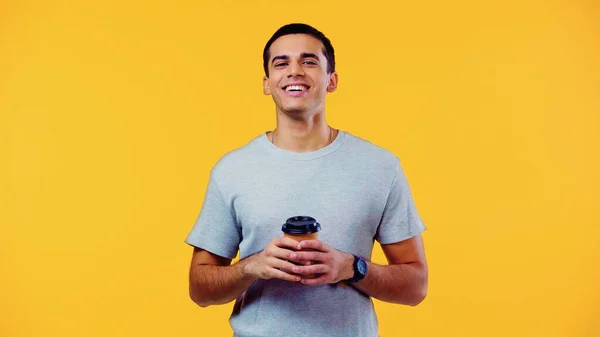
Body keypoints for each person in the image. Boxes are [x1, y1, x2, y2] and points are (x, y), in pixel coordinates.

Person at [185, 23, 428, 337]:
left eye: (309, 61)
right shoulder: (232, 170)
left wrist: (351, 268)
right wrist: (252, 266)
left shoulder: (380, 166)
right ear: (267, 83)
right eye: (281, 63)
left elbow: (416, 287)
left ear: (332, 80)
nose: (294, 71)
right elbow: (200, 289)